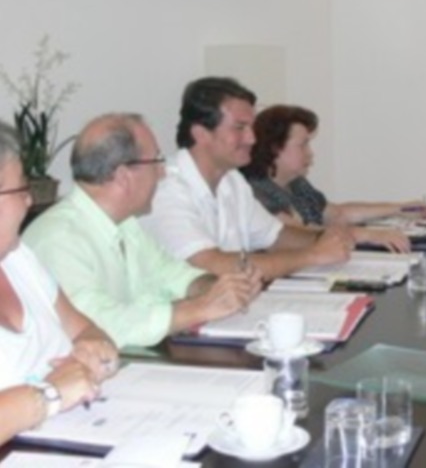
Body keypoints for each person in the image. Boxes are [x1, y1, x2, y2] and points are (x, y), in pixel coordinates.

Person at [23, 114, 262, 348]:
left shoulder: (125, 224)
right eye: (157, 161)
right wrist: (200, 307)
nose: (163, 173)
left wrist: (218, 288)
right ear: (124, 176)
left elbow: (170, 273)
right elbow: (98, 325)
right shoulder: (59, 238)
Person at [142, 77, 353, 279]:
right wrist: (312, 255)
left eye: (251, 128)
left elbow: (276, 237)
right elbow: (212, 265)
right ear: (201, 133)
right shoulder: (164, 187)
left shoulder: (232, 180)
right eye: (240, 128)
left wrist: (325, 239)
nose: (252, 139)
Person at [0, 121, 118, 444]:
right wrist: (49, 393)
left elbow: (84, 329)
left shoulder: (18, 257)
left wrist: (95, 351)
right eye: (20, 190)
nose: (29, 202)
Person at [241, 105, 422, 252]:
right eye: (303, 145)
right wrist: (368, 234)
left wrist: (400, 208)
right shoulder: (256, 190)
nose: (310, 153)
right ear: (275, 148)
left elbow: (338, 214)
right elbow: (298, 234)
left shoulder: (296, 184)